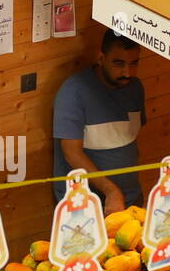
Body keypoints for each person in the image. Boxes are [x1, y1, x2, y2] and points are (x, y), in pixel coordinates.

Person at [53, 29, 146, 214]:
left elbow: (131, 139)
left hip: (130, 198)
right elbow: (72, 153)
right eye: (119, 64)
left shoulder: (135, 88)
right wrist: (111, 191)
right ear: (101, 59)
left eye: (133, 63)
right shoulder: (73, 93)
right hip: (82, 206)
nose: (127, 72)